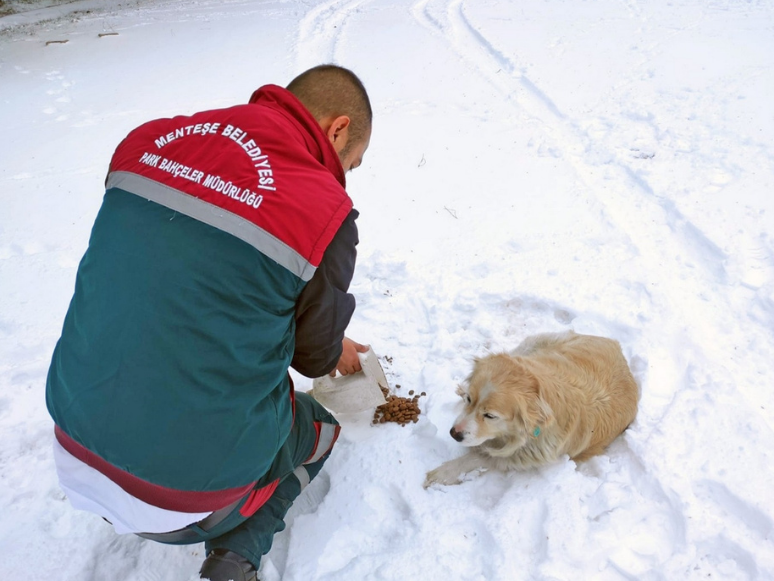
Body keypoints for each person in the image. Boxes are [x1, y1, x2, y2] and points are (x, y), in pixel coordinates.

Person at [45, 64, 372, 581]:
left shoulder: (145, 142)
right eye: (351, 162)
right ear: (337, 129)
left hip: (73, 448)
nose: (344, 175)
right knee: (319, 428)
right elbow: (312, 358)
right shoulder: (323, 209)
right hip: (187, 496)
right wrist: (331, 342)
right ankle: (237, 554)